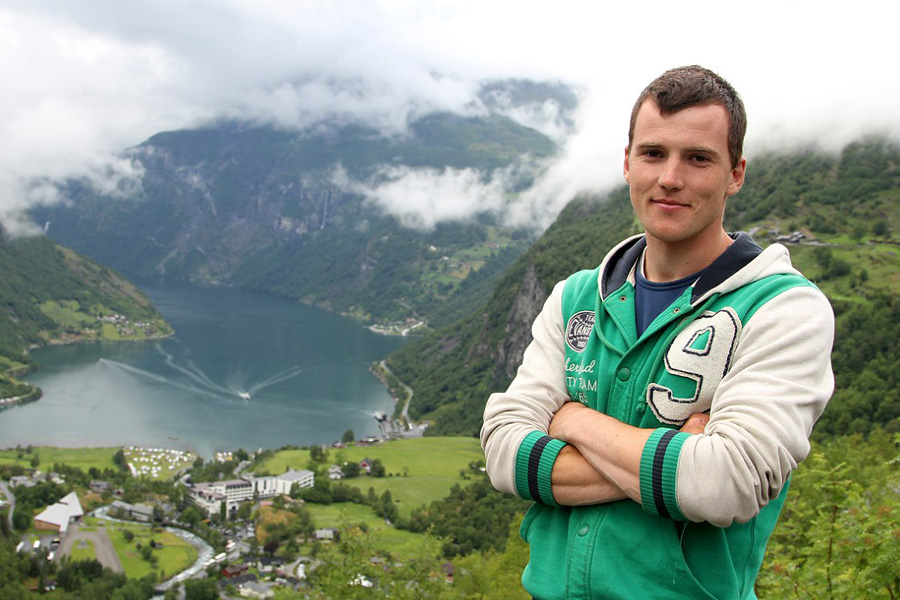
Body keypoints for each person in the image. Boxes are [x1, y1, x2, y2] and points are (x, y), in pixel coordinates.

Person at [480, 65, 834, 600]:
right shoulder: (576, 297)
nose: (670, 177)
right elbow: (503, 452)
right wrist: (675, 464)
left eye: (698, 158)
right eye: (653, 153)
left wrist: (572, 420)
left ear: (735, 173)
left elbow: (725, 484)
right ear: (627, 163)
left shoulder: (783, 310)